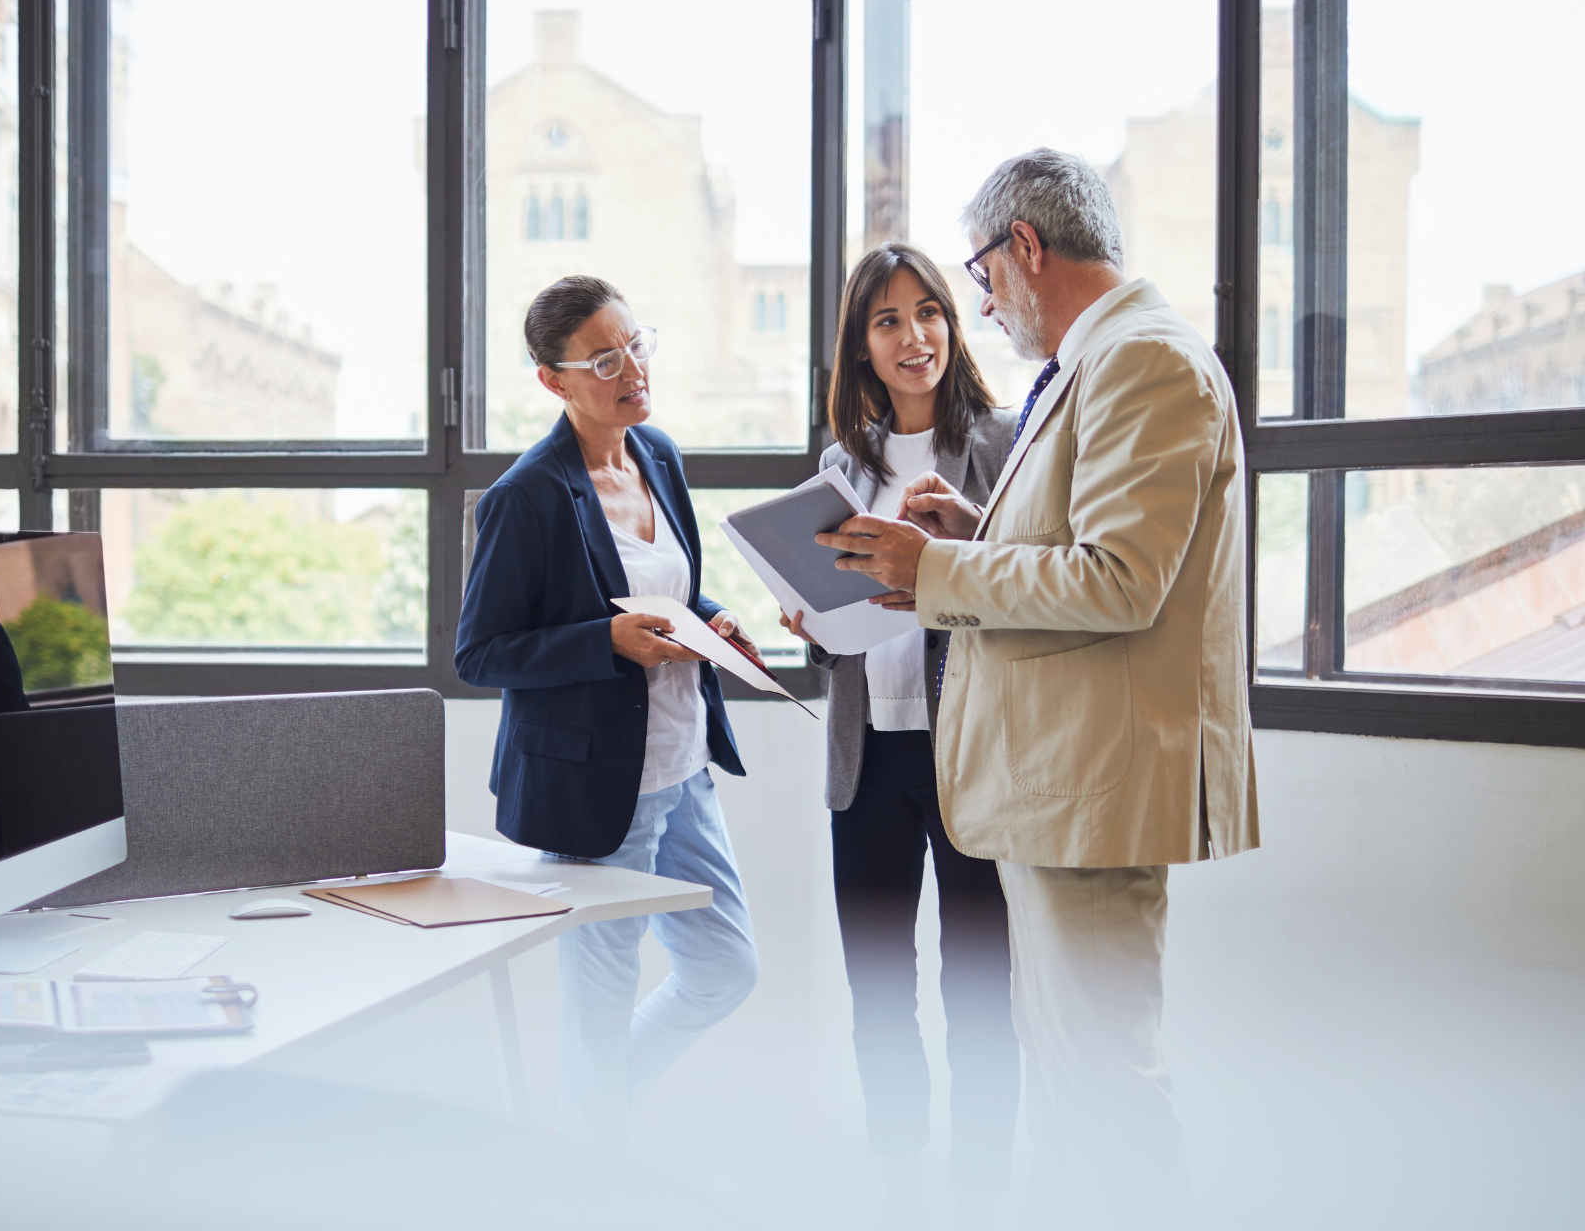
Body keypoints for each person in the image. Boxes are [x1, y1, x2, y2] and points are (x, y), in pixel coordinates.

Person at [816, 150, 1259, 1226]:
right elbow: (1080, 547)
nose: (981, 306)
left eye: (977, 276)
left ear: (1024, 247)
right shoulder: (1092, 364)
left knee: (1103, 1080)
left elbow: (1119, 580)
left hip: (1092, 786)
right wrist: (973, 533)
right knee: (1069, 1084)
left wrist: (938, 572)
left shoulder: (1142, 361)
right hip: (1056, 787)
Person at [455, 275, 759, 1149]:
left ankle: (590, 1114)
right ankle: (588, 1167)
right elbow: (480, 654)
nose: (631, 369)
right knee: (596, 1012)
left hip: (685, 765)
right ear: (553, 380)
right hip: (597, 793)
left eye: (635, 344)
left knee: (725, 968)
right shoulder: (530, 495)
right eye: (603, 359)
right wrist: (606, 642)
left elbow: (674, 590)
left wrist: (713, 619)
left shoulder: (656, 453)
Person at [778, 243, 1019, 1212]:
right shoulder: (841, 467)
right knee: (877, 983)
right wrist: (810, 622)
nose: (912, 335)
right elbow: (840, 612)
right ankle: (895, 1177)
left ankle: (978, 1187)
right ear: (861, 347)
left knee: (979, 987)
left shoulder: (1001, 446)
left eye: (927, 312)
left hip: (970, 753)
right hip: (865, 753)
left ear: (951, 326)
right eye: (886, 321)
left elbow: (1026, 588)